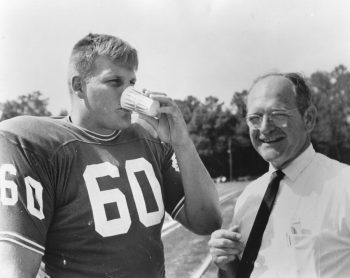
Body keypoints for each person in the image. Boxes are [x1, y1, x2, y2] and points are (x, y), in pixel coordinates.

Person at [0, 33, 222, 278]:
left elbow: (207, 221)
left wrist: (183, 143)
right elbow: (16, 271)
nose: (128, 94)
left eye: (132, 83)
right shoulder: (38, 144)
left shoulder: (149, 140)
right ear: (78, 86)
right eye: (115, 81)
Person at [208, 72, 350, 278]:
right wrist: (227, 264)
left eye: (278, 114)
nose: (265, 127)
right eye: (255, 118)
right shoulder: (249, 197)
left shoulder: (344, 185)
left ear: (308, 119)